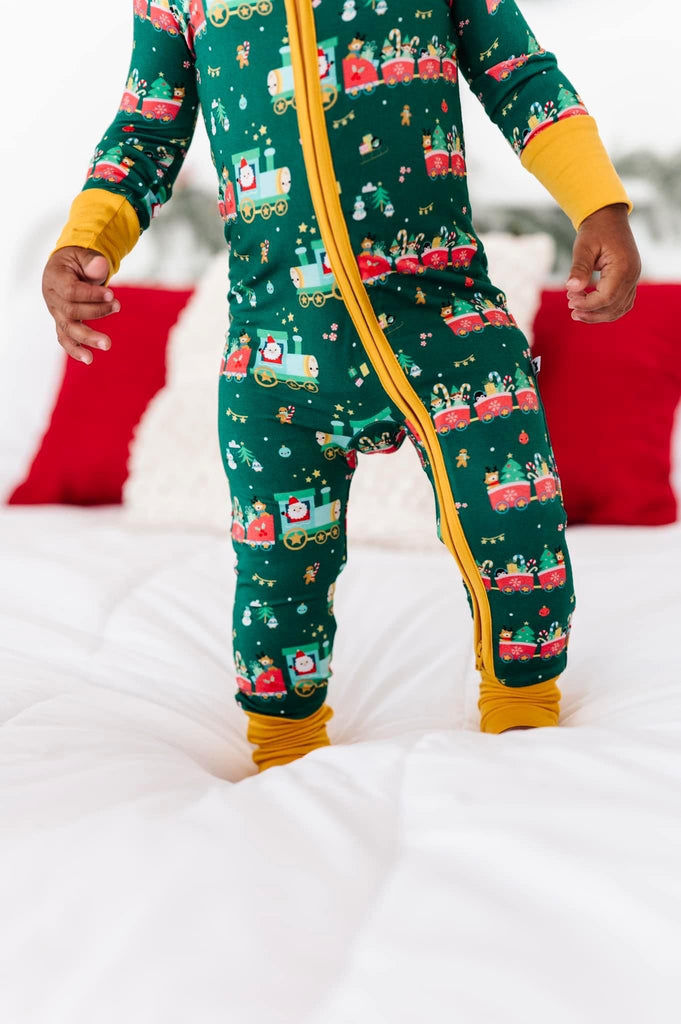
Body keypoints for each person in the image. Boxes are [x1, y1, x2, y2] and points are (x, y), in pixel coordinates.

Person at [42, 0, 641, 771]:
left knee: (518, 527)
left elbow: (518, 74)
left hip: (447, 321)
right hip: (275, 351)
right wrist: (86, 238)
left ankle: (522, 725)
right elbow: (145, 130)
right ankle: (285, 751)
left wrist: (598, 204)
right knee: (277, 581)